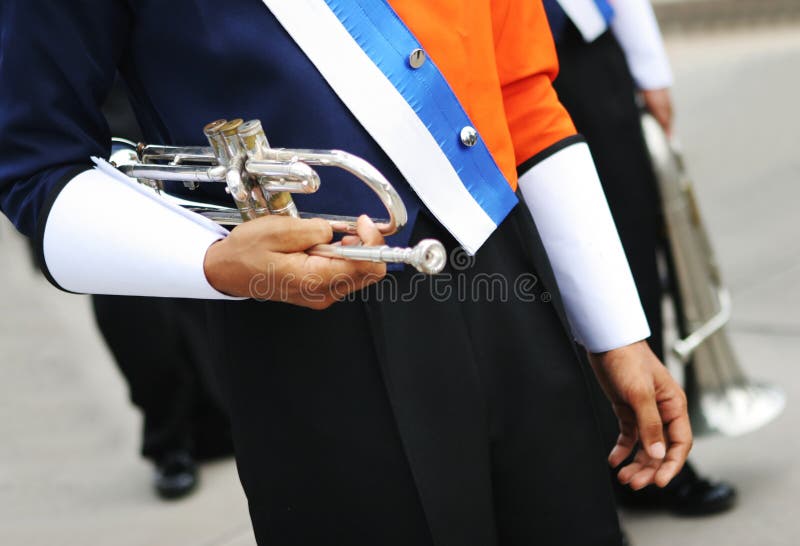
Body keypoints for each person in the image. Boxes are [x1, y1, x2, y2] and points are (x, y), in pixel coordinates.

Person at [0, 2, 691, 545]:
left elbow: (522, 92)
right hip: (304, 331)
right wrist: (211, 262)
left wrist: (617, 331)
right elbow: (35, 162)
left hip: (515, 282)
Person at [543, 0, 737, 515]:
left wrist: (648, 66)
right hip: (465, 62)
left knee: (626, 245)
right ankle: (578, 472)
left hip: (580, 50)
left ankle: (652, 451)